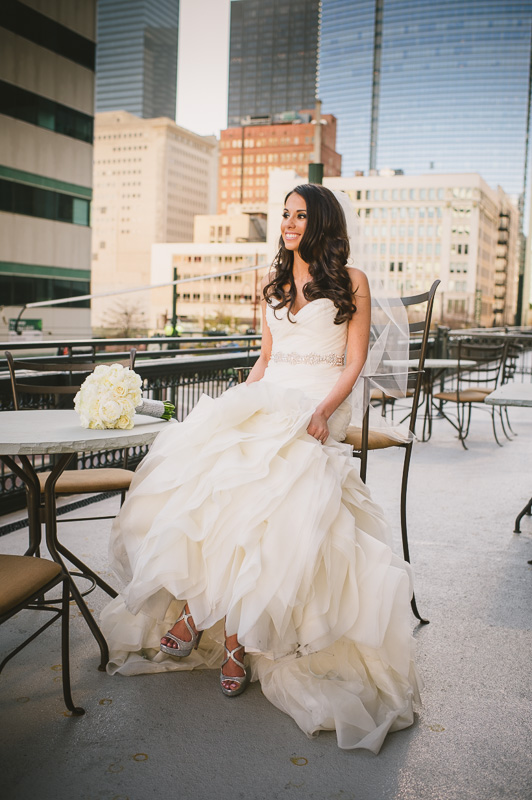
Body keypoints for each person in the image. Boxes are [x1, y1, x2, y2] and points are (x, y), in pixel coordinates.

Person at [100, 184, 421, 753]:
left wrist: (324, 411)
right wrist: (232, 404)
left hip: (316, 404)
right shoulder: (272, 284)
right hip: (270, 395)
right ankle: (214, 623)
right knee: (215, 478)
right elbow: (266, 359)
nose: (289, 223)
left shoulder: (353, 284)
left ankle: (222, 633)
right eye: (286, 214)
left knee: (267, 492)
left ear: (321, 223)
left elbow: (354, 363)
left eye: (301, 215)